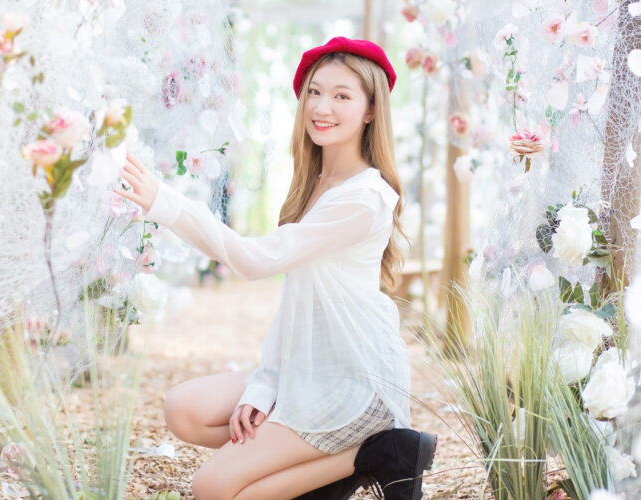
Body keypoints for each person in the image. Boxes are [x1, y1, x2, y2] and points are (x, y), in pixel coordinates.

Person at [116, 36, 435, 500]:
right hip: (306, 367)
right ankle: (331, 466)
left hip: (354, 382)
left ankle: (380, 452)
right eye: (315, 91)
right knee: (183, 409)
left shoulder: (364, 198)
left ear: (370, 111)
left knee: (213, 489)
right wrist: (264, 385)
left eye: (342, 96)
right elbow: (298, 306)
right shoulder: (318, 183)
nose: (321, 106)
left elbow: (255, 260)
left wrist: (165, 203)